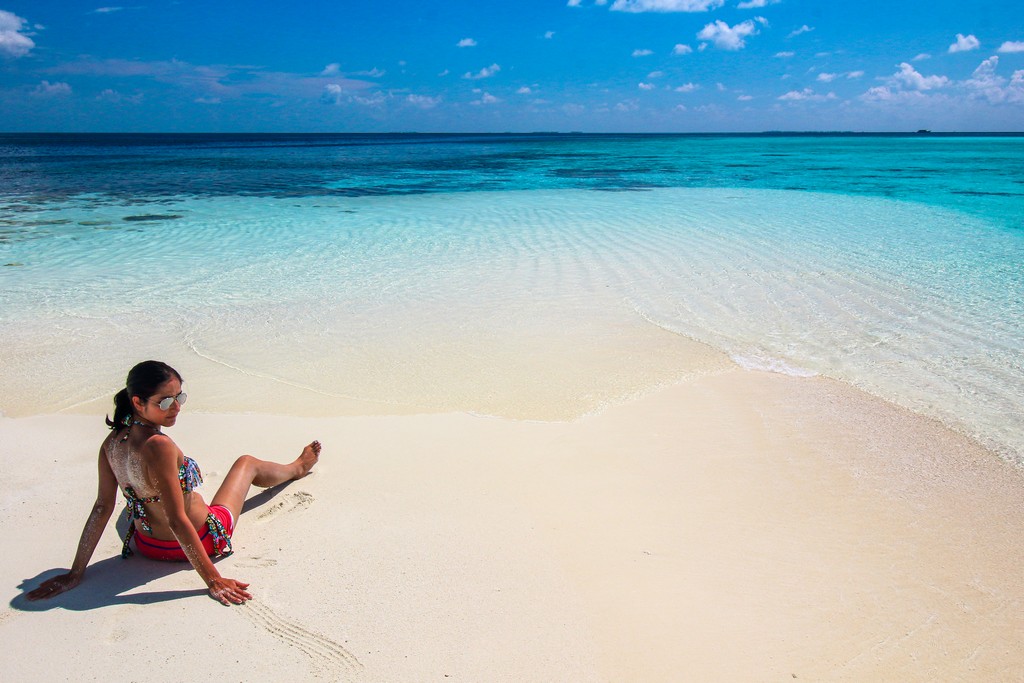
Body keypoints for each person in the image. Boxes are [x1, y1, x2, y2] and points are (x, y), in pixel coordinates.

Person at [26, 360, 320, 606]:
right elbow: (178, 520)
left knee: (129, 506)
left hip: (147, 545)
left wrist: (75, 573)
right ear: (138, 402)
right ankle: (297, 467)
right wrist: (213, 581)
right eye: (166, 401)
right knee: (247, 463)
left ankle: (295, 467)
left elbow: (102, 507)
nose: (176, 407)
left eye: (180, 397)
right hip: (200, 540)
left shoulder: (112, 442)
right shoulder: (159, 446)